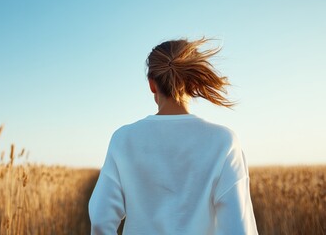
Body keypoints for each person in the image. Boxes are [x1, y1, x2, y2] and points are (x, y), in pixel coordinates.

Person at [88, 37, 258, 235]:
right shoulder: (223, 141)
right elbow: (238, 229)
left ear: (152, 84)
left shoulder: (123, 138)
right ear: (193, 81)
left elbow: (101, 220)